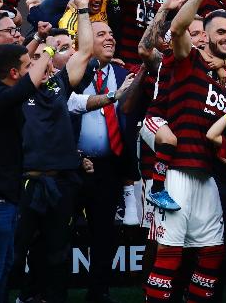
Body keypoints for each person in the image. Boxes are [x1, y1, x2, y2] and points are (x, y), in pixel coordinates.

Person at [144, 0, 226, 302]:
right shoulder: (187, 59)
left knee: (212, 252)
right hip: (177, 170)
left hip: (205, 174)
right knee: (169, 251)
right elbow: (178, 29)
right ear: (204, 36)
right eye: (220, 32)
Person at [13, 0, 93, 303]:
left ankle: (52, 297)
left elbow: (85, 51)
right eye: (31, 59)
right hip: (25, 182)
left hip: (60, 182)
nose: (39, 64)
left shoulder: (59, 85)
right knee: (17, 252)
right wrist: (42, 46)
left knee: (58, 251)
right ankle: (23, 296)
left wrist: (84, 11)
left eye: (42, 59)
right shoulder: (15, 92)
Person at [0, 0, 52, 303]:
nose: (31, 67)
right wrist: (50, 48)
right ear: (13, 73)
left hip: (4, 199)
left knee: (3, 268)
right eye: (26, 65)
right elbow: (29, 82)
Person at [67, 21, 139, 302]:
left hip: (108, 168)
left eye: (111, 33)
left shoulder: (124, 75)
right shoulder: (72, 74)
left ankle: (100, 292)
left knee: (104, 234)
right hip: (72, 166)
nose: (110, 38)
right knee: (57, 232)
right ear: (85, 41)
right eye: (101, 34)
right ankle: (49, 291)